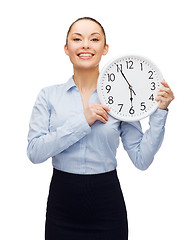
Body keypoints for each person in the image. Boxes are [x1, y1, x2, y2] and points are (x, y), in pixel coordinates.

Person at [27, 17, 174, 240]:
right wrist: (82, 121)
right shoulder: (48, 96)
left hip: (108, 208)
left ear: (105, 48)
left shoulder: (121, 98)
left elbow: (142, 159)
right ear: (67, 49)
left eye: (94, 39)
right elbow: (35, 152)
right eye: (77, 39)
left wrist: (159, 112)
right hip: (61, 206)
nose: (85, 44)